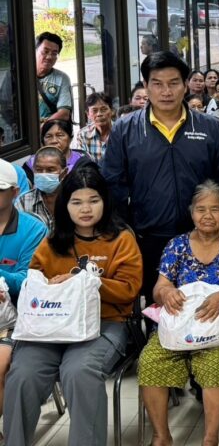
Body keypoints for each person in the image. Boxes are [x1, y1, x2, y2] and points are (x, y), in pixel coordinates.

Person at [3, 166, 142, 446]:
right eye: (76, 202)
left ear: (105, 201)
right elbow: (34, 281)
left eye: (93, 200)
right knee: (22, 373)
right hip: (51, 325)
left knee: (79, 371)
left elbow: (129, 291)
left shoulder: (121, 239)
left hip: (106, 323)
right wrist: (52, 286)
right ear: (65, 205)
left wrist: (87, 281)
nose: (86, 209)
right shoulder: (53, 242)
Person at [102, 51, 219, 301]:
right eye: (157, 84)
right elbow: (113, 185)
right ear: (145, 86)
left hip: (204, 236)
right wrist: (124, 230)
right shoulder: (126, 130)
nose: (166, 91)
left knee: (205, 307)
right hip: (148, 238)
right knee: (160, 310)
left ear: (185, 85)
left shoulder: (208, 127)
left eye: (174, 83)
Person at [139, 181, 219, 446]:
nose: (207, 215)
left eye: (215, 209)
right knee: (150, 361)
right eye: (200, 209)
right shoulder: (177, 245)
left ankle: (210, 438)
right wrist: (167, 293)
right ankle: (161, 436)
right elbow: (160, 286)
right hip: (180, 324)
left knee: (214, 365)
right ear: (191, 212)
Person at [0, 159, 48, 432]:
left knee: (1, 365)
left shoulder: (33, 229)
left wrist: (2, 279)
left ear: (15, 192)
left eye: (0, 189)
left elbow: (30, 281)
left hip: (17, 319)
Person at [23, 119, 92, 184]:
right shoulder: (31, 163)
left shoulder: (82, 163)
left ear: (70, 138)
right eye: (49, 136)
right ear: (42, 140)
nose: (54, 141)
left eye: (60, 135)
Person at [16, 146, 67, 229]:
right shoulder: (23, 201)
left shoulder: (73, 198)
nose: (43, 174)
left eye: (50, 170)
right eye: (39, 170)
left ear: (64, 172)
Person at [35, 32, 72, 123]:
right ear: (35, 50)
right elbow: (6, 107)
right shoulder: (19, 75)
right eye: (45, 52)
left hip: (49, 132)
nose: (49, 57)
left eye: (54, 53)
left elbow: (64, 113)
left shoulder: (62, 78)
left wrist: (42, 128)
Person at [72, 91, 113, 164]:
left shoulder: (121, 132)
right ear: (88, 114)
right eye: (94, 111)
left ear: (112, 111)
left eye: (103, 109)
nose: (99, 114)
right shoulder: (83, 134)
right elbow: (82, 162)